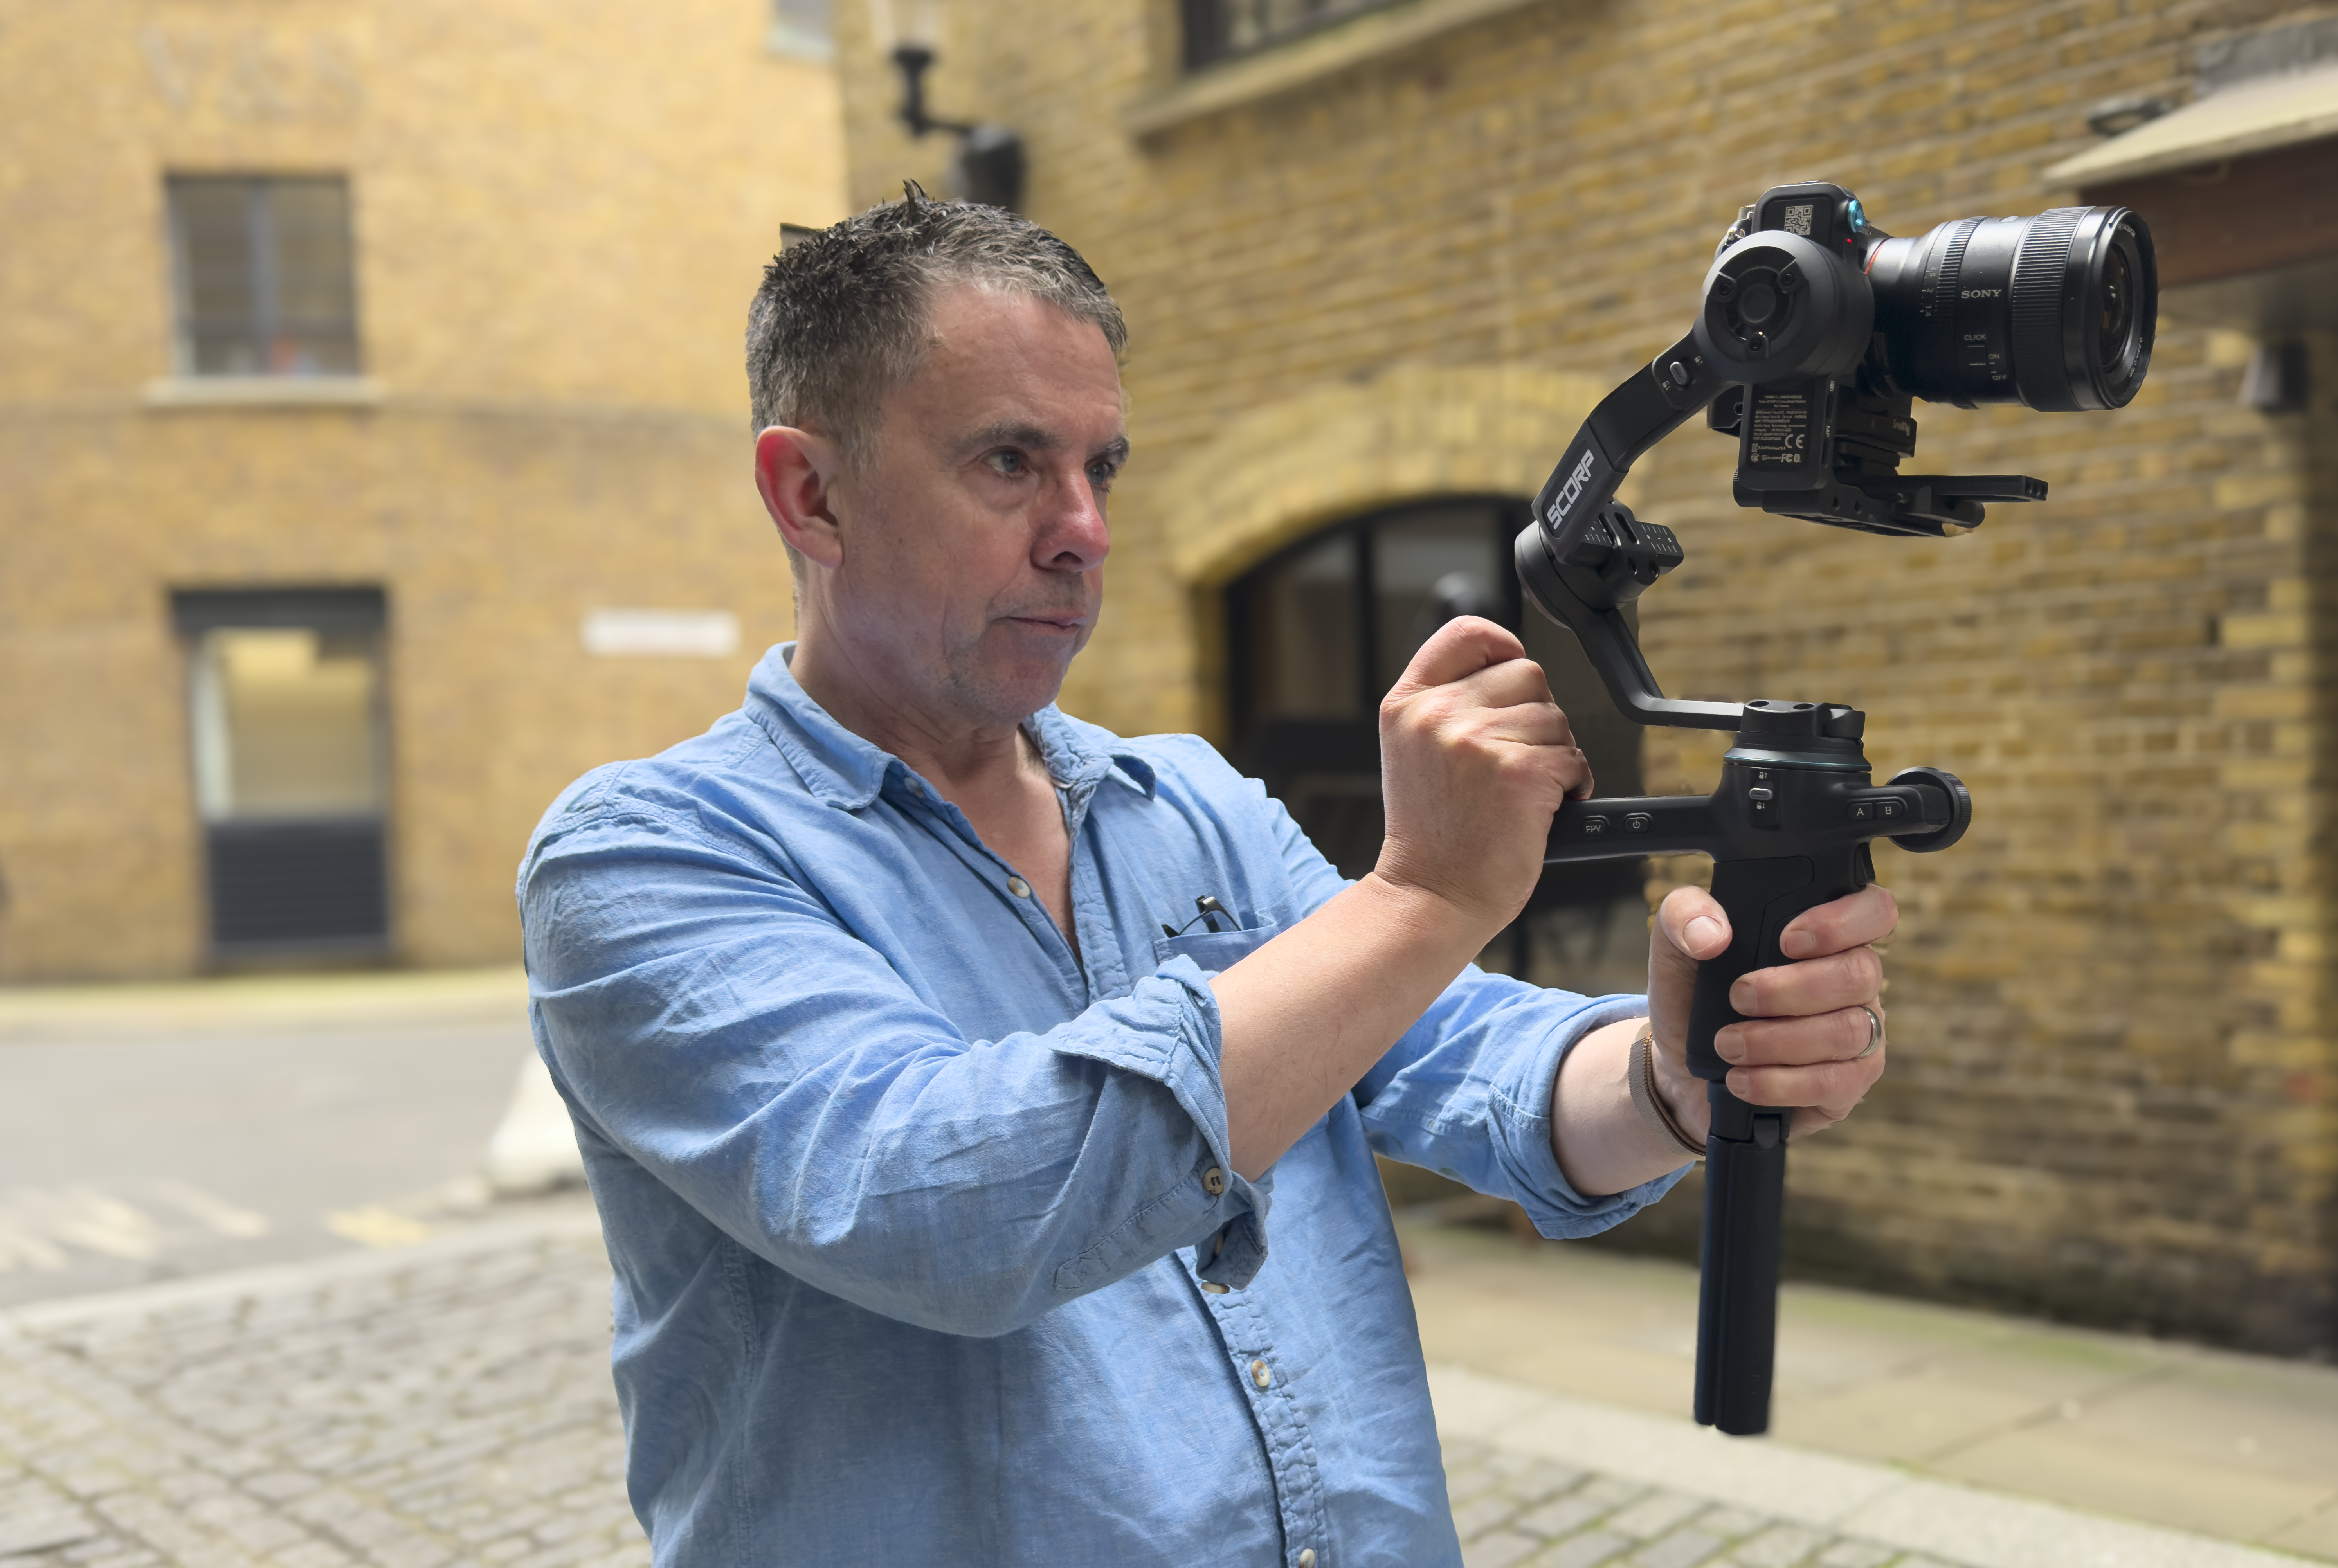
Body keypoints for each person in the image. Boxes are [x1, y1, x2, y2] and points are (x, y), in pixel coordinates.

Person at [515, 193, 1896, 1568]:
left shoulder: (1186, 801)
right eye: (1009, 461)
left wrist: (1674, 1075)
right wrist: (1420, 895)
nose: (1083, 531)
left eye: (1100, 467)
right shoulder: (648, 858)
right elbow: (954, 1213)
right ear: (810, 493)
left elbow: (1458, 1061)